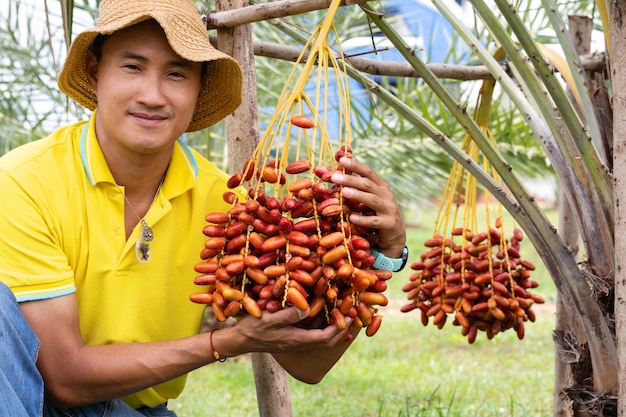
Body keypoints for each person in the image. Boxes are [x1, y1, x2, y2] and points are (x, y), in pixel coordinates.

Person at [0, 0, 408, 416]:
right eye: (132, 67)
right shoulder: (24, 182)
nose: (153, 96)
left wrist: (384, 254)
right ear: (93, 72)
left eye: (176, 74)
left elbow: (309, 363)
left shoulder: (230, 208)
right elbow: (65, 380)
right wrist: (224, 343)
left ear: (198, 90)